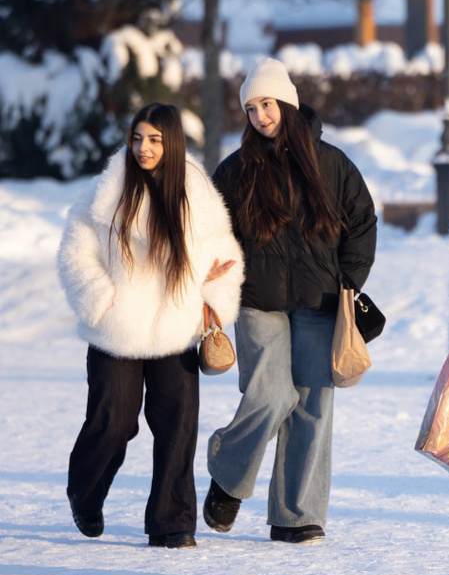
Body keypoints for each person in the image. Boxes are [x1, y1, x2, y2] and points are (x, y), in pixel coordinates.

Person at [204, 58, 377, 544]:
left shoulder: (332, 163)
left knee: (313, 405)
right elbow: (213, 231)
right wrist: (218, 273)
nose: (261, 115)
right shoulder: (236, 170)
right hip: (258, 301)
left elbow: (362, 222)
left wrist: (348, 282)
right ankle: (228, 472)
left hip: (320, 301)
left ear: (288, 101)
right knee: (272, 395)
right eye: (252, 108)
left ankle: (296, 516)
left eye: (267, 103)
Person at [59, 102, 244, 549]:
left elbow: (225, 255)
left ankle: (172, 522)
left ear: (172, 142)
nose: (143, 148)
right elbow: (75, 253)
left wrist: (212, 285)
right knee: (113, 422)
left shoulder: (196, 193)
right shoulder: (106, 190)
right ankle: (84, 492)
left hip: (173, 327)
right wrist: (101, 300)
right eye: (138, 138)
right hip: (115, 330)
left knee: (178, 424)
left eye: (155, 140)